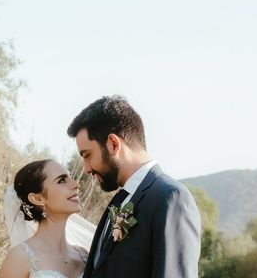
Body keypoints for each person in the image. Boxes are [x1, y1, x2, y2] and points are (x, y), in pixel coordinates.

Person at [67, 95, 201, 278]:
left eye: (87, 154)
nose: (86, 168)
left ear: (113, 144)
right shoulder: (118, 202)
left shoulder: (170, 198)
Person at [0, 159, 96, 278]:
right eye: (61, 180)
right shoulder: (20, 258)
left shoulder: (84, 256)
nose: (76, 185)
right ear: (37, 199)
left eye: (71, 177)